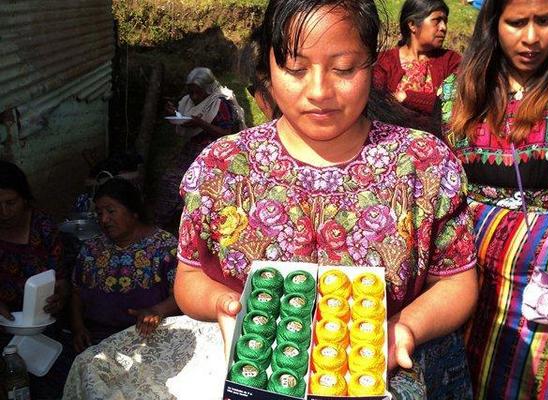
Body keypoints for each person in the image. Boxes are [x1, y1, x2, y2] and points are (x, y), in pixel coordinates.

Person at [174, 0, 478, 397]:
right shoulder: (223, 166)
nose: (319, 92)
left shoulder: (422, 164)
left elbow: (456, 281)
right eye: (296, 69)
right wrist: (223, 303)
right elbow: (190, 275)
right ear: (268, 67)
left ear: (372, 63)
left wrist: (404, 327)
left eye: (344, 69)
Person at [438, 0, 548, 398]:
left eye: (545, 21)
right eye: (516, 23)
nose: (531, 38)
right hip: (472, 276)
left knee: (535, 378)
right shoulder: (460, 89)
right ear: (494, 24)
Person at [71, 178, 179, 352]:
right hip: (96, 340)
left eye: (111, 211)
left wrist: (156, 310)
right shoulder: (92, 249)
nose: (104, 219)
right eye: (99, 213)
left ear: (133, 212)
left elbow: (182, 296)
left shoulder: (164, 247)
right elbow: (76, 292)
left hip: (147, 337)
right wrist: (78, 328)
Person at [0, 160, 70, 399]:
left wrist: (59, 296)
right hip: (4, 323)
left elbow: (60, 278)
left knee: (52, 378)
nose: (4, 212)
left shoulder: (43, 227)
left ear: (25, 199)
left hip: (44, 322)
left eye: (11, 203)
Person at [154, 67, 247, 230]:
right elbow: (188, 118)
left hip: (217, 151)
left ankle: (190, 220)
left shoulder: (220, 103)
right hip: (194, 150)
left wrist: (201, 124)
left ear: (208, 89)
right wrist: (175, 114)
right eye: (191, 92)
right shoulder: (190, 102)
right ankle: (166, 222)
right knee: (170, 180)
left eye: (198, 93)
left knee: (192, 183)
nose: (194, 97)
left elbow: (228, 134)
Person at [373, 0, 460, 116]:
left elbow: (455, 103)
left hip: (438, 133)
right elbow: (375, 103)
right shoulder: (384, 61)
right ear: (412, 25)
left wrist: (407, 97)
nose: (443, 27)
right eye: (437, 21)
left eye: (445, 21)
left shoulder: (451, 61)